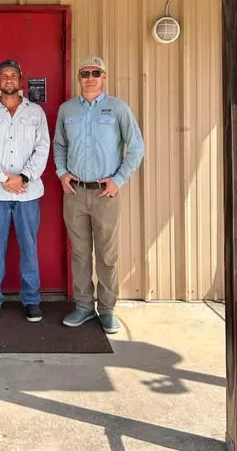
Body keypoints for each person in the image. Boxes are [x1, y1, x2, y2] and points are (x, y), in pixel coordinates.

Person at [53, 56, 144, 334]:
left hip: (106, 195)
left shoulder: (117, 108)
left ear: (104, 77)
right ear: (78, 78)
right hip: (75, 193)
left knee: (107, 255)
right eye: (85, 73)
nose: (90, 78)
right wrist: (62, 172)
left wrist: (118, 180)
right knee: (80, 254)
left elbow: (136, 147)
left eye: (96, 73)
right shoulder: (67, 109)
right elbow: (59, 144)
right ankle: (83, 307)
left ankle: (106, 310)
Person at [0, 59, 50, 323]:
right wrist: (4, 179)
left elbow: (43, 148)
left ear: (20, 79)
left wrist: (23, 177)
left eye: (13, 75)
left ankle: (31, 300)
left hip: (28, 193)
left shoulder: (35, 113)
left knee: (29, 245)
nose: (9, 79)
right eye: (4, 75)